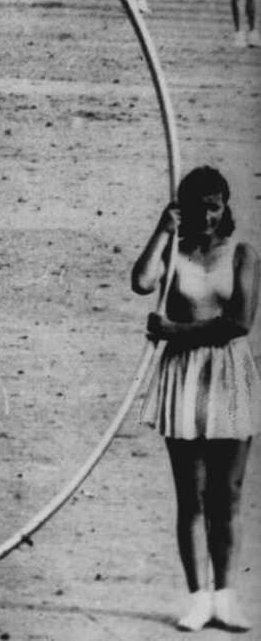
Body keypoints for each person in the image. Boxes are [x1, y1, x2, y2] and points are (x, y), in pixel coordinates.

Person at [131, 166, 257, 632]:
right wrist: (162, 232)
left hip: (229, 377)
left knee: (229, 492)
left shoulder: (242, 254)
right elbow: (142, 282)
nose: (206, 215)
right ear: (182, 207)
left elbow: (240, 323)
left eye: (214, 205)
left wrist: (174, 332)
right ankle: (197, 598)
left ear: (224, 207)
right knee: (193, 495)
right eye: (197, 206)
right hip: (182, 380)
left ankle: (226, 596)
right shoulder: (176, 250)